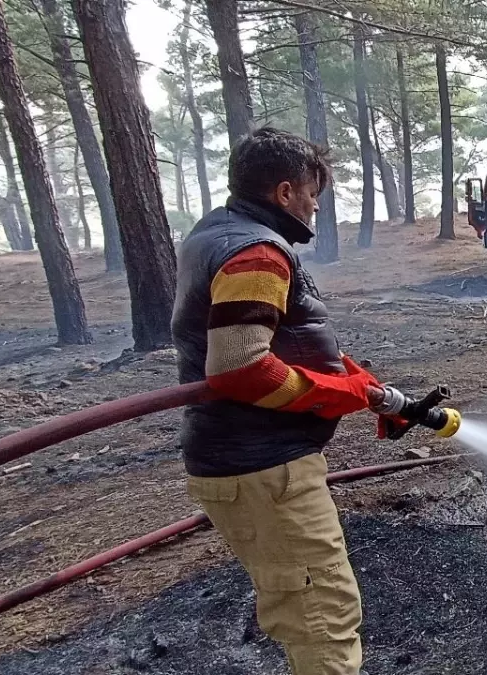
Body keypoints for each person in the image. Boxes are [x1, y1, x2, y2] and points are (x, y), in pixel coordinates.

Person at [172, 127, 438, 675]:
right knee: (323, 616)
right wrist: (342, 395)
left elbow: (291, 343)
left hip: (254, 463)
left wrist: (373, 392)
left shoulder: (221, 234)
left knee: (312, 608)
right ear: (286, 191)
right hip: (264, 469)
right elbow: (242, 368)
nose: (317, 205)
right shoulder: (255, 253)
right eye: (314, 192)